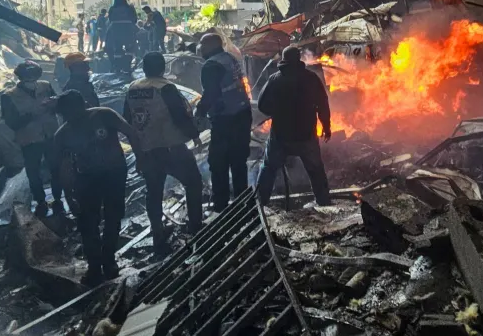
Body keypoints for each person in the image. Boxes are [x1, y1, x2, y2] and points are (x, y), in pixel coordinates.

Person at [55, 90, 142, 285]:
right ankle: (94, 267)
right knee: (87, 223)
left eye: (72, 111)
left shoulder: (104, 115)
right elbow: (64, 167)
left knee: (113, 216)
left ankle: (108, 261)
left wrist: (140, 158)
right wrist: (68, 195)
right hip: (86, 179)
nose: (71, 117)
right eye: (66, 114)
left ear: (82, 105)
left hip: (114, 173)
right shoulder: (62, 135)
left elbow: (131, 133)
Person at [124, 52, 204, 256]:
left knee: (153, 192)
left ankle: (157, 234)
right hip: (172, 148)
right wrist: (194, 134)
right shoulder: (166, 88)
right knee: (194, 183)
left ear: (144, 68)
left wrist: (138, 151)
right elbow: (179, 115)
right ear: (163, 68)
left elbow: (127, 120)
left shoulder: (132, 88)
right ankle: (195, 225)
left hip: (148, 151)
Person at [256, 46, 332, 206]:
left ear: (283, 60)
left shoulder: (275, 79)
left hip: (281, 136)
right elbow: (323, 104)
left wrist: (276, 112)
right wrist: (326, 126)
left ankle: (260, 204)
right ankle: (324, 202)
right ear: (298, 59)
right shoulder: (311, 78)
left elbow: (262, 105)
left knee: (268, 168)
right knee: (316, 170)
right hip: (306, 135)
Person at [195, 33, 252, 212]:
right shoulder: (229, 58)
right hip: (243, 114)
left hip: (226, 119)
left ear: (210, 46)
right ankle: (243, 203)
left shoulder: (211, 65)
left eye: (202, 44)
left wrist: (199, 112)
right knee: (238, 161)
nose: (200, 48)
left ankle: (221, 206)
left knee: (218, 162)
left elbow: (211, 94)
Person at [1, 61, 64, 217]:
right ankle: (40, 200)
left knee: (56, 168)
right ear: (20, 77)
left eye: (33, 76)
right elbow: (12, 122)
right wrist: (31, 115)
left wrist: (54, 104)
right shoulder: (9, 96)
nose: (31, 80)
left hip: (50, 134)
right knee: (33, 172)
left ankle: (58, 197)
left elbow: (58, 106)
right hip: (29, 139)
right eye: (27, 76)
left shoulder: (45, 86)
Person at [105, 0, 138, 73]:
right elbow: (134, 19)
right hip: (128, 29)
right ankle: (127, 66)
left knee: (117, 48)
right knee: (129, 48)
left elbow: (110, 19)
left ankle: (117, 67)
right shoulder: (130, 8)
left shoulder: (112, 8)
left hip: (115, 30)